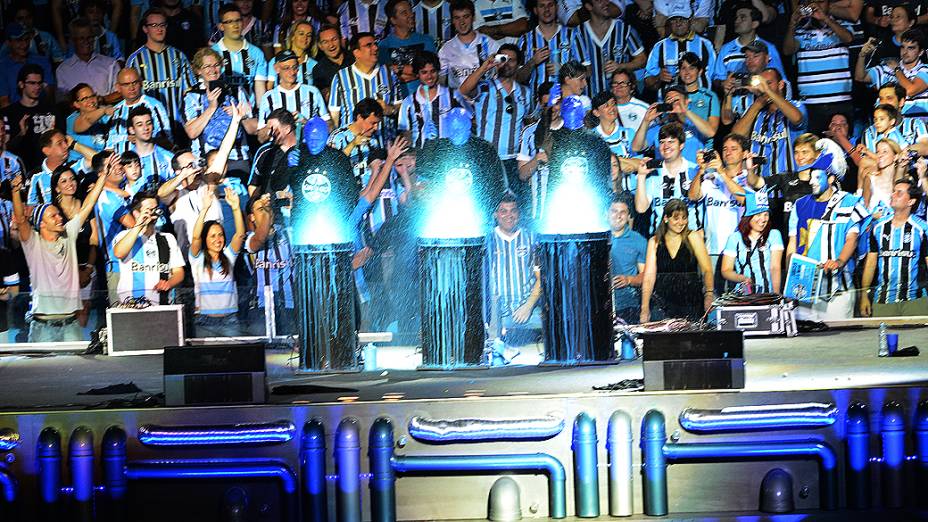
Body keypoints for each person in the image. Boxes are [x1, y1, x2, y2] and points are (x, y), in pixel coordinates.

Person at [9, 153, 110, 342]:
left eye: (58, 215)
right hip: (42, 325)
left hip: (71, 322)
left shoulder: (68, 233)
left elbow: (88, 204)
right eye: (53, 216)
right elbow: (21, 220)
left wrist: (103, 176)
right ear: (41, 224)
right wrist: (15, 191)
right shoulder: (32, 242)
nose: (60, 218)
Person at [786, 150, 869, 321]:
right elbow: (793, 242)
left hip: (837, 289)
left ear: (830, 179)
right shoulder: (800, 205)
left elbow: (851, 239)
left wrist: (838, 262)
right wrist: (790, 275)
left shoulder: (848, 203)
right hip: (804, 287)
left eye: (817, 177)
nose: (811, 182)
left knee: (838, 344)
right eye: (811, 177)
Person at [460, 44, 533, 205]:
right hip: (487, 159)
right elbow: (463, 90)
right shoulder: (485, 87)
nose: (506, 64)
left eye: (511, 60)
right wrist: (484, 67)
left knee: (514, 208)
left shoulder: (525, 93)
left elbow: (530, 123)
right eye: (503, 59)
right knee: (486, 205)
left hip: (514, 160)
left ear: (518, 64)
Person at [184, 47, 257, 180]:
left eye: (216, 65)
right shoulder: (192, 96)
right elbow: (192, 132)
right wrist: (212, 107)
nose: (213, 70)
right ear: (198, 70)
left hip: (237, 158)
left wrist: (240, 117)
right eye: (207, 66)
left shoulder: (236, 91)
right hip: (205, 161)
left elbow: (253, 129)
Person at [782, 0, 854, 135]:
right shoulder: (800, 29)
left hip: (839, 101)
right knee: (813, 149)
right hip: (811, 103)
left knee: (843, 146)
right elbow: (787, 50)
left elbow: (848, 39)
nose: (816, 5)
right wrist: (792, 23)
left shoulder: (841, 25)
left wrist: (825, 18)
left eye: (821, 1)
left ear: (829, 4)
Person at [860, 178, 928, 317]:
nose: (893, 195)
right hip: (883, 300)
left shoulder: (922, 229)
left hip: (915, 300)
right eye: (893, 191)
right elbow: (871, 263)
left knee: (915, 339)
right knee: (883, 338)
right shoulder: (878, 227)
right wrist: (864, 295)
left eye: (899, 193)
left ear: (911, 201)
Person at [640, 198, 715, 322]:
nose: (681, 222)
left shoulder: (693, 237)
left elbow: (707, 269)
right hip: (663, 304)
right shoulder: (654, 241)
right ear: (666, 218)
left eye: (684, 218)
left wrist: (709, 294)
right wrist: (645, 308)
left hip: (691, 302)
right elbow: (649, 277)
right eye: (676, 218)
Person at [485, 192, 541, 353]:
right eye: (503, 211)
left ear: (519, 214)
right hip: (497, 314)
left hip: (527, 311)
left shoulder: (531, 238)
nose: (509, 215)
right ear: (496, 215)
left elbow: (541, 277)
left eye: (513, 211)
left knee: (553, 321)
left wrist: (528, 306)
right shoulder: (487, 240)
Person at [126, 8, 197, 136]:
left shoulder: (179, 56)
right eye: (154, 25)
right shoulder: (135, 60)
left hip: (179, 126)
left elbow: (190, 91)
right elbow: (129, 96)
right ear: (145, 29)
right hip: (150, 130)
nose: (159, 29)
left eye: (162, 25)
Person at [688, 136, 750, 279]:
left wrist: (722, 172)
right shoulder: (711, 177)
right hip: (712, 250)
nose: (728, 152)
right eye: (725, 149)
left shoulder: (750, 178)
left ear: (744, 153)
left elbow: (743, 199)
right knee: (711, 297)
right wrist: (701, 170)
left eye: (733, 149)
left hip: (739, 250)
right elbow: (693, 196)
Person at [189, 185, 245, 336]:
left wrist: (235, 207)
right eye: (212, 236)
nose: (218, 239)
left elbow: (240, 235)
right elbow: (195, 238)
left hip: (230, 319)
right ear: (205, 239)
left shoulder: (228, 256)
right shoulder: (197, 258)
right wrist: (204, 209)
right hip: (204, 320)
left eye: (220, 235)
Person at [732, 68, 807, 179]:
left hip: (789, 185)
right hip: (759, 184)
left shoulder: (796, 105)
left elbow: (797, 118)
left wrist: (768, 91)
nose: (763, 87)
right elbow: (736, 136)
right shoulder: (755, 111)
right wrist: (757, 104)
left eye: (769, 83)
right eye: (761, 84)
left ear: (781, 85)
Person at [111, 191, 185, 304]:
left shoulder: (168, 238)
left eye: (155, 209)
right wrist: (139, 225)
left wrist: (168, 283)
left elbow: (179, 272)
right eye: (149, 210)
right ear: (136, 213)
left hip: (161, 304)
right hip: (131, 305)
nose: (153, 213)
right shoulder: (124, 236)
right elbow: (119, 253)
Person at [49, 166, 99, 326]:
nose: (70, 183)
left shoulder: (85, 205)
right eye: (64, 181)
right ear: (57, 188)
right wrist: (76, 273)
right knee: (66, 313)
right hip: (63, 270)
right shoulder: (53, 212)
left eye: (72, 179)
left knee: (83, 312)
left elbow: (94, 239)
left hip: (87, 268)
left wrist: (89, 269)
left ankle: (81, 348)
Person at [634, 122, 701, 235]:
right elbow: (641, 208)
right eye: (662, 142)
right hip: (660, 239)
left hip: (690, 238)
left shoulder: (695, 171)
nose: (666, 146)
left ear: (681, 145)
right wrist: (641, 176)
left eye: (671, 141)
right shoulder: (653, 172)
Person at [328, 32, 403, 132]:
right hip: (353, 143)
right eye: (369, 45)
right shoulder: (341, 77)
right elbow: (334, 116)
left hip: (386, 142)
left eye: (375, 44)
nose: (375, 48)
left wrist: (390, 110)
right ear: (356, 52)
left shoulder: (389, 74)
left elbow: (401, 107)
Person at [242, 192, 295, 335]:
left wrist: (292, 203)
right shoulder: (249, 240)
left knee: (292, 354)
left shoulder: (288, 233)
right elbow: (261, 237)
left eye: (268, 208)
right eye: (261, 209)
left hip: (290, 305)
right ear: (251, 217)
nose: (266, 211)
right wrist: (267, 211)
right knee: (262, 354)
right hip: (261, 308)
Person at [571, 0, 645, 97]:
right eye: (600, 1)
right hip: (590, 100)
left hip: (620, 101)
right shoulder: (578, 33)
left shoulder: (624, 29)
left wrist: (621, 66)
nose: (606, 3)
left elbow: (642, 59)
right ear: (589, 6)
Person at [856, 29, 928, 121]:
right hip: (890, 128)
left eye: (911, 48)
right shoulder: (887, 68)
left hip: (919, 129)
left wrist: (896, 69)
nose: (905, 52)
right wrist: (862, 55)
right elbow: (860, 77)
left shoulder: (925, 69)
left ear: (921, 52)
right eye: (903, 47)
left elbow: (909, 90)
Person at [258, 50, 329, 142]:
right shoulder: (268, 98)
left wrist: (308, 123)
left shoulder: (312, 92)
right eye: (286, 68)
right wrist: (273, 126)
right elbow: (260, 138)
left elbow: (329, 125)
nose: (292, 72)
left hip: (308, 148)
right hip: (279, 152)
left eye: (295, 67)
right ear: (276, 69)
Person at [721, 190, 784, 294]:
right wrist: (742, 278)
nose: (763, 219)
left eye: (766, 214)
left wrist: (776, 296)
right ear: (748, 217)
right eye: (758, 215)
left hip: (767, 294)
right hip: (743, 295)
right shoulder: (734, 238)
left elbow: (775, 267)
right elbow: (726, 270)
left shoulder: (774, 235)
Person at [631, 85, 713, 164]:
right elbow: (636, 147)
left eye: (676, 100)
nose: (672, 103)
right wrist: (646, 121)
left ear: (687, 102)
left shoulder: (695, 124)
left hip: (693, 174)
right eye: (669, 100)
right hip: (666, 175)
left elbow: (710, 133)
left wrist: (685, 112)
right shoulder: (659, 128)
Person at [514, 0, 578, 95]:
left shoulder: (572, 35)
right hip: (537, 104)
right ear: (535, 10)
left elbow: (587, 71)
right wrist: (532, 62)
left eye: (550, 5)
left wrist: (564, 70)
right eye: (542, 6)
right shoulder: (525, 40)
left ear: (557, 7)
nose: (547, 9)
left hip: (566, 102)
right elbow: (517, 78)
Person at [397, 50, 460, 148]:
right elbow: (405, 135)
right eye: (424, 72)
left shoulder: (453, 96)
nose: (429, 76)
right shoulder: (408, 103)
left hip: (449, 157)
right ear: (417, 74)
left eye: (433, 71)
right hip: (421, 158)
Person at [644, 11, 716, 93]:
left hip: (701, 102)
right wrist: (658, 77)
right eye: (674, 20)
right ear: (669, 23)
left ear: (690, 20)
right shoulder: (659, 46)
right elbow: (647, 81)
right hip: (669, 102)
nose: (678, 24)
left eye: (682, 19)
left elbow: (715, 76)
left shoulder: (706, 44)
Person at [211, 3, 269, 105]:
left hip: (247, 115)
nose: (235, 25)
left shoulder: (256, 53)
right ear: (221, 26)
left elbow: (260, 89)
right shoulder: (212, 53)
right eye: (229, 22)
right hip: (220, 115)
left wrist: (260, 116)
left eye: (238, 20)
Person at [2, 64, 58, 170]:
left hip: (49, 168)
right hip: (20, 168)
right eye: (32, 83)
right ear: (21, 84)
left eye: (39, 83)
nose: (37, 87)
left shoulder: (51, 110)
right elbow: (5, 149)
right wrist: (21, 134)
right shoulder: (8, 113)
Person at [713, 6, 785, 87]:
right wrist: (723, 83)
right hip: (733, 98)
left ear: (754, 24)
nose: (737, 21)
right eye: (736, 18)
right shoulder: (726, 49)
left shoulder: (769, 48)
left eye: (742, 18)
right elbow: (717, 78)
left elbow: (781, 80)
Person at [103, 67, 172, 152]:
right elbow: (109, 146)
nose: (131, 88)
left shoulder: (154, 105)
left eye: (135, 83)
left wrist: (143, 139)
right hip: (120, 162)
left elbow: (167, 140)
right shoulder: (116, 110)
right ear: (118, 87)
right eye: (126, 84)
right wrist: (126, 138)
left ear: (141, 83)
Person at [437, 0, 499, 90]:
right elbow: (441, 82)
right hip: (459, 102)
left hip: (487, 100)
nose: (462, 22)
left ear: (473, 17)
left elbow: (502, 72)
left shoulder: (490, 44)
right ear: (452, 20)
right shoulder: (445, 49)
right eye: (457, 18)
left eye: (466, 17)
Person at [54, 18, 119, 101]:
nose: (86, 42)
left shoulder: (111, 64)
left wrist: (101, 100)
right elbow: (62, 102)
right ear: (73, 41)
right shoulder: (63, 70)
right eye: (81, 38)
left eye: (89, 38)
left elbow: (120, 92)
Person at [377, 0, 436, 90]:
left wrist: (398, 68)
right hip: (397, 99)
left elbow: (430, 71)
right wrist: (417, 73)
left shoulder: (427, 40)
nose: (411, 15)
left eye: (410, 11)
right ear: (393, 20)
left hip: (425, 96)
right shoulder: (384, 45)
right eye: (404, 13)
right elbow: (385, 75)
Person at [26, 129, 92, 206]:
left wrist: (74, 144)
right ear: (47, 151)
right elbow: (30, 209)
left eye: (65, 142)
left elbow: (96, 159)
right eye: (59, 143)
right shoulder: (34, 176)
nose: (66, 146)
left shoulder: (73, 167)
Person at [609, 195, 646, 324]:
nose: (618, 216)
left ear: (628, 216)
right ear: (606, 214)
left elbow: (645, 276)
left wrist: (629, 280)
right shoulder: (597, 238)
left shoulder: (638, 240)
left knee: (627, 344)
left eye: (623, 212)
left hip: (628, 305)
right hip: (601, 304)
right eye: (614, 211)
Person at [0, 22, 55, 106]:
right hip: (14, 115)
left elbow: (49, 94)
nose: (24, 45)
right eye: (19, 40)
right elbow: (4, 101)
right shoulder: (3, 67)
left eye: (27, 39)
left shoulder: (42, 61)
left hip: (41, 112)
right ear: (8, 42)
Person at [248, 108, 299, 197]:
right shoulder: (265, 152)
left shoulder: (305, 150)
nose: (270, 133)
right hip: (271, 209)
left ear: (287, 129)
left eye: (273, 129)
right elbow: (253, 185)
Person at [126, 106, 175, 195]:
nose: (146, 128)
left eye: (148, 123)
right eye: (140, 125)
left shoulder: (168, 157)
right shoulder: (125, 160)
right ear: (132, 130)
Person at [266, 20, 318, 87]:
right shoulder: (276, 61)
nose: (305, 38)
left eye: (309, 35)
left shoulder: (314, 65)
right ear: (292, 36)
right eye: (301, 34)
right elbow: (269, 88)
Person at [860, 139, 904, 213]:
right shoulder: (870, 178)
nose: (880, 155)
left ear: (895, 157)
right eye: (877, 152)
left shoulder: (903, 181)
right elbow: (863, 210)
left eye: (885, 152)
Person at [67, 84, 112, 153]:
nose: (91, 101)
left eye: (93, 96)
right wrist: (104, 110)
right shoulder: (71, 120)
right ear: (76, 104)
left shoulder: (103, 117)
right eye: (85, 99)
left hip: (100, 160)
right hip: (78, 161)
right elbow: (87, 119)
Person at [312, 25, 353, 99]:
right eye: (325, 42)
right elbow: (323, 95)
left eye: (334, 39)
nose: (331, 45)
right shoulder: (318, 69)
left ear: (341, 40)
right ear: (320, 46)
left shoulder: (355, 58)